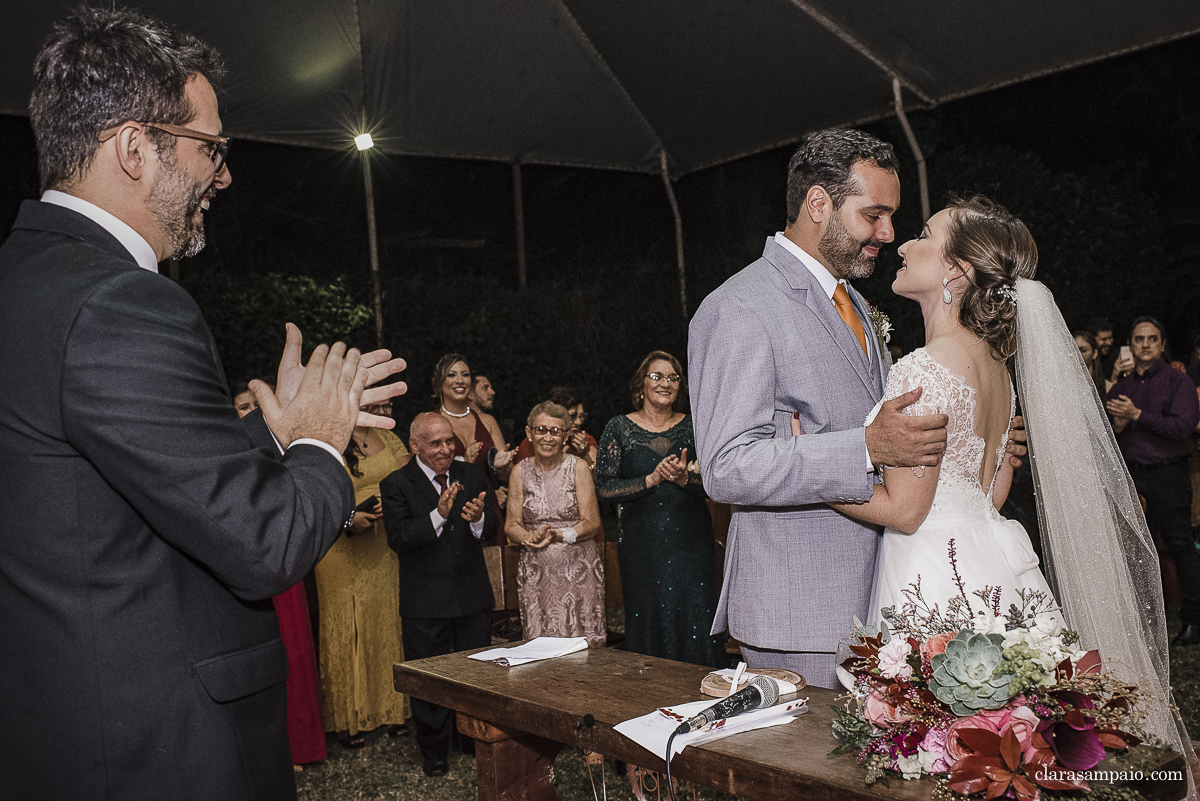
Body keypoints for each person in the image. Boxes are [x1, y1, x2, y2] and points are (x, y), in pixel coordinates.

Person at [0, 8, 406, 799]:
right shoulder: (123, 302)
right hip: (161, 748)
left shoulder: (25, 284)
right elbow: (263, 544)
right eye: (210, 148)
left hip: (64, 732)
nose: (224, 176)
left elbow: (103, 495)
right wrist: (322, 443)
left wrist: (272, 438)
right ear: (134, 147)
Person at [829, 197, 1193, 776]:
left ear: (957, 270)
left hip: (932, 571)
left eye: (923, 233)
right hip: (994, 561)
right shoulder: (996, 368)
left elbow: (904, 511)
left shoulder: (924, 369)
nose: (902, 244)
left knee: (950, 752)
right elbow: (983, 497)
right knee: (1011, 743)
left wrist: (815, 472)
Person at [689, 128, 949, 688]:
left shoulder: (855, 302)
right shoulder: (739, 307)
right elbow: (726, 467)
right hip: (796, 616)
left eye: (892, 217)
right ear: (818, 203)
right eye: (873, 215)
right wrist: (863, 446)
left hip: (877, 601)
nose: (888, 234)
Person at [381, 413, 496, 778]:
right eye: (436, 443)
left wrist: (478, 518)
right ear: (415, 446)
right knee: (428, 679)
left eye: (449, 441)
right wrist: (438, 514)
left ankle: (473, 741)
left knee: (475, 674)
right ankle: (434, 750)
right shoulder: (397, 484)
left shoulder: (472, 474)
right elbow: (398, 538)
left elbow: (491, 526)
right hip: (425, 601)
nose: (446, 449)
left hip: (471, 595)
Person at [595, 351, 725, 667]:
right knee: (649, 625)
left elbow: (717, 484)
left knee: (697, 623)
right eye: (657, 376)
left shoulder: (696, 428)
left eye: (672, 377)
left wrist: (685, 479)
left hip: (691, 548)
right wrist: (650, 480)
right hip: (642, 549)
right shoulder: (619, 428)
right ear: (641, 384)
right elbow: (604, 488)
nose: (665, 383)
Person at [233, 388, 326, 769]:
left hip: (286, 562)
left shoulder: (283, 451)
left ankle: (306, 745)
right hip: (246, 565)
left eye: (254, 407)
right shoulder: (227, 456)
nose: (251, 413)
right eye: (242, 407)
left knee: (298, 655)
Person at [315, 399, 412, 748]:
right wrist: (347, 519)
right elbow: (315, 493)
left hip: (384, 544)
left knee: (385, 621)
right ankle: (349, 719)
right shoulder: (327, 437)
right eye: (375, 402)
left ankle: (392, 711)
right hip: (340, 548)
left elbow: (409, 479)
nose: (383, 410)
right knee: (347, 623)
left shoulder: (392, 438)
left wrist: (396, 500)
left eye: (387, 404)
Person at [1106, 317, 1200, 645]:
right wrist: (1117, 428)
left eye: (1152, 339)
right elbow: (1110, 440)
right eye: (1138, 339)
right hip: (1131, 478)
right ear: (1130, 344)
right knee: (1132, 551)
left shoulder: (1179, 382)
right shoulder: (1121, 388)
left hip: (1169, 475)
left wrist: (1137, 416)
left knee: (1179, 545)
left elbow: (1182, 429)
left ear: (1161, 345)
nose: (1145, 344)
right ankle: (1140, 622)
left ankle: (1192, 622)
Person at [506, 401, 606, 646]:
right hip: (537, 572)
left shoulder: (579, 468)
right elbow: (512, 525)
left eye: (555, 431)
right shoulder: (519, 472)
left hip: (578, 570)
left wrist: (560, 535)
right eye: (541, 430)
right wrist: (530, 538)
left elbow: (592, 522)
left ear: (565, 436)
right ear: (529, 433)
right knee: (540, 647)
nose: (547, 437)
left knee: (584, 647)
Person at [512, 386, 599, 468]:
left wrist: (583, 454)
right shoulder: (534, 441)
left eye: (581, 416)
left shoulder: (585, 441)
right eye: (572, 416)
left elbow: (597, 479)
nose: (579, 422)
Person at [1073, 330, 1109, 398]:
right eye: (1074, 351)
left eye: (1083, 350)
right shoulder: (1068, 386)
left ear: (1095, 353)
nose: (1078, 355)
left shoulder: (1107, 387)